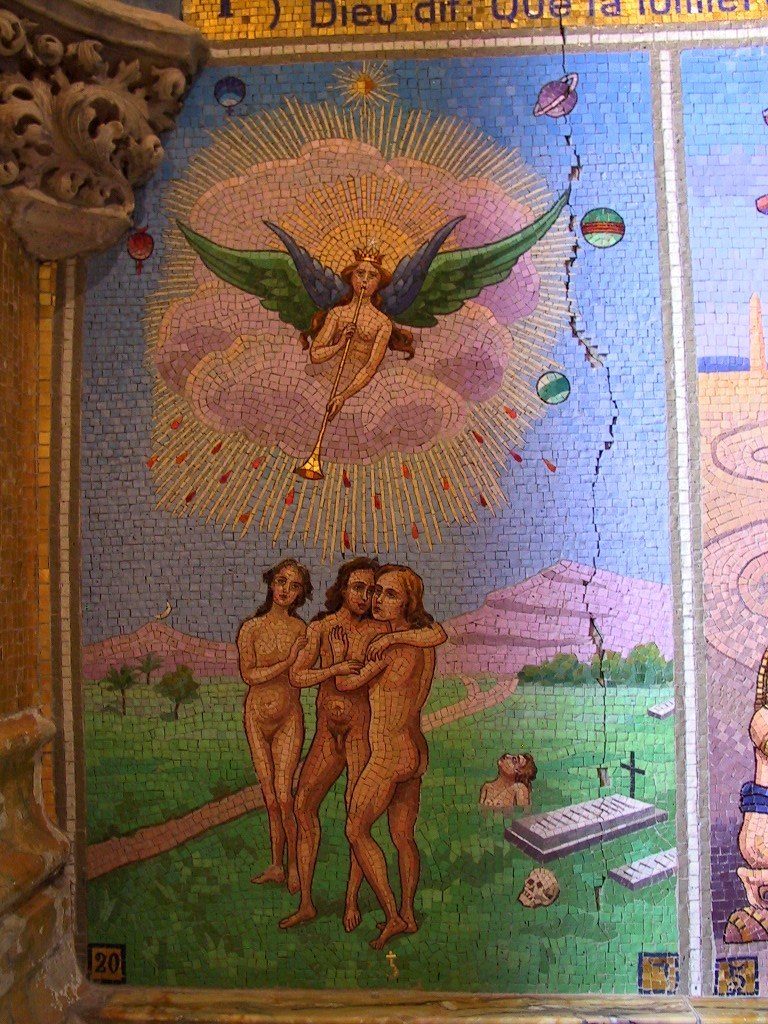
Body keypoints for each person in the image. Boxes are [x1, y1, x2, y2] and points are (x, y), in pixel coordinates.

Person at [279, 557, 445, 932]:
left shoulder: (383, 636)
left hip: (375, 744)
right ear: (342, 588)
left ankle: (370, 907)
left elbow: (430, 635)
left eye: (380, 592)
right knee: (313, 808)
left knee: (357, 824)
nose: (371, 598)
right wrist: (337, 664)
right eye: (364, 589)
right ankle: (320, 904)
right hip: (371, 742)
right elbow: (299, 675)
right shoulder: (330, 628)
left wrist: (379, 643)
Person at [336, 565, 439, 949]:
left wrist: (344, 659)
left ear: (408, 602)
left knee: (355, 829)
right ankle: (409, 914)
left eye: (390, 594)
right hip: (414, 752)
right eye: (377, 591)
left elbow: (347, 682)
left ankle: (393, 915)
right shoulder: (423, 644)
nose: (377, 599)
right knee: (402, 837)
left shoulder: (392, 648)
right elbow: (436, 633)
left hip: (388, 755)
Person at [236, 558, 312, 894]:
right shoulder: (251, 629)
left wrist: (295, 664)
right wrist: (286, 661)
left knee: (284, 796)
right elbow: (249, 675)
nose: (285, 590)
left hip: (288, 719)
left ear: (300, 594)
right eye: (281, 582)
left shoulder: (301, 631)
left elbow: (300, 676)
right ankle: (276, 865)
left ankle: (295, 866)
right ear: (271, 583)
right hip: (256, 718)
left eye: (294, 586)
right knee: (269, 797)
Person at [304, 246, 414, 421]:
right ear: (351, 277)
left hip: (359, 393)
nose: (365, 280)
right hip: (325, 384)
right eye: (360, 273)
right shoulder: (337, 314)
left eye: (372, 276)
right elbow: (315, 355)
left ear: (378, 284)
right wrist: (339, 345)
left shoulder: (382, 323)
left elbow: (371, 366)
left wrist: (342, 396)